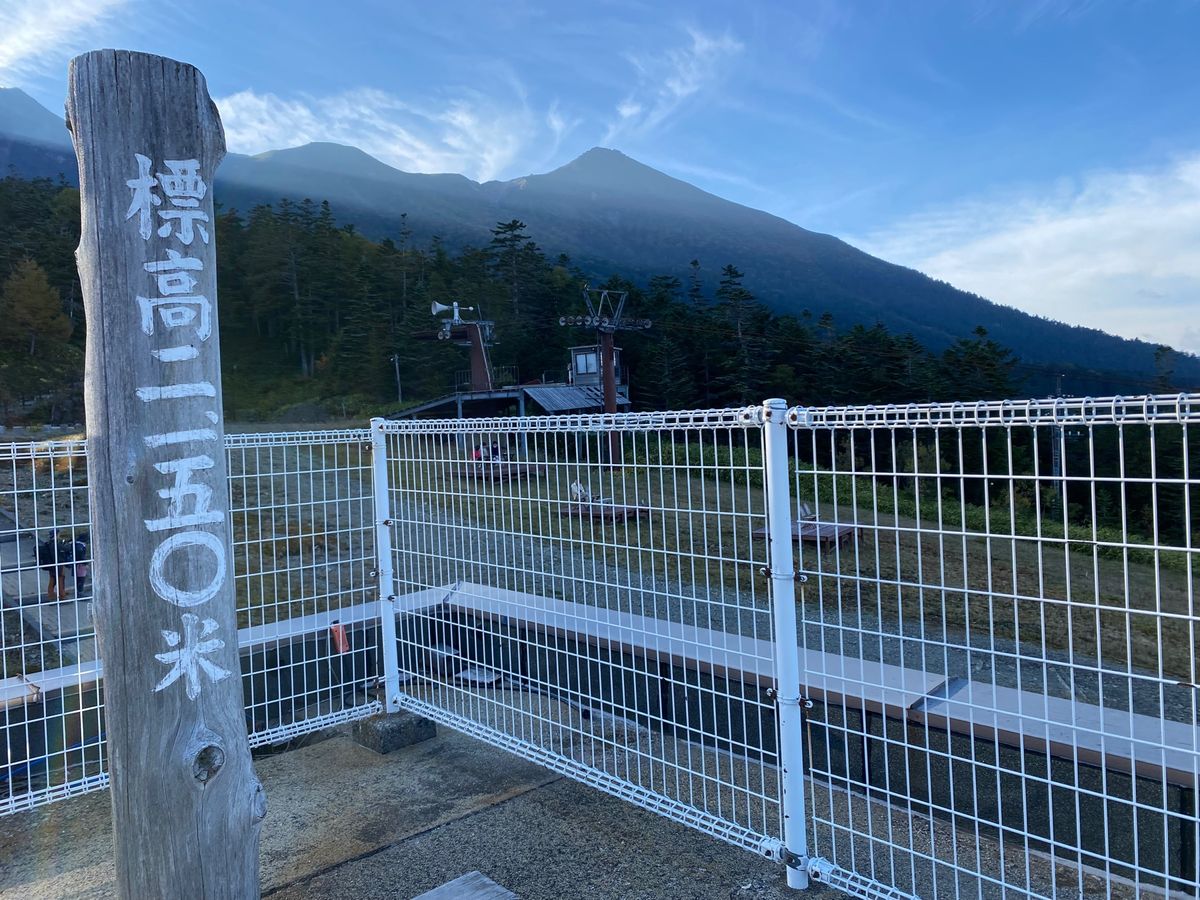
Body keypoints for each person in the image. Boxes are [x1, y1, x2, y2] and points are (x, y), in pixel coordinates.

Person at [36, 530, 70, 602]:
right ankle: (61, 595)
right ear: (56, 535)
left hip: (51, 564)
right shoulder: (56, 544)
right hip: (58, 564)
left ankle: (51, 593)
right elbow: (66, 549)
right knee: (60, 579)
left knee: (53, 579)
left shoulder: (49, 544)